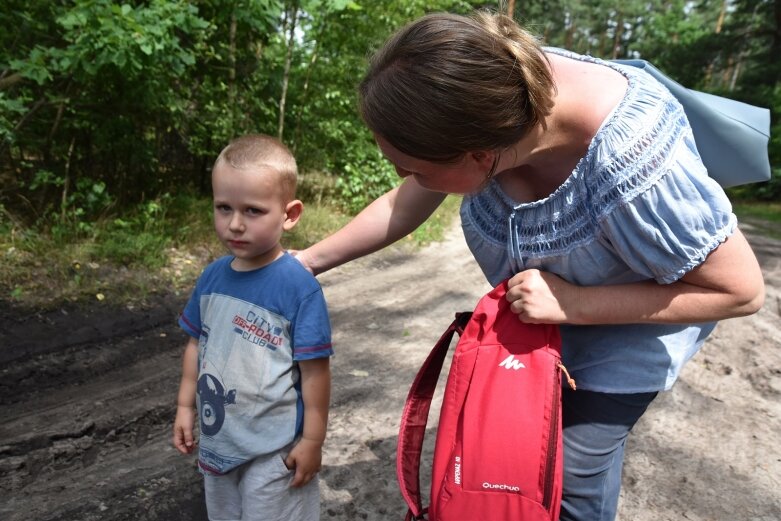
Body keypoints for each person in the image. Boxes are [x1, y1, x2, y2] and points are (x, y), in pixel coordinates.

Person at [292, 10, 765, 521]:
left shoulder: (634, 162)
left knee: (569, 477)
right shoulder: (493, 97)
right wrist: (309, 261)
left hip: (631, 330)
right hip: (548, 323)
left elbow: (740, 291)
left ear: (481, 156)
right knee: (530, 458)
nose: (408, 179)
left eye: (416, 170)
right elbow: (406, 199)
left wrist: (575, 303)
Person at [173, 134, 333, 521]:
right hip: (219, 442)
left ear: (289, 214)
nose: (235, 224)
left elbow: (315, 372)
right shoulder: (212, 277)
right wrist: (183, 406)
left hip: (273, 451)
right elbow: (197, 345)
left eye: (253, 211)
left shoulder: (298, 288)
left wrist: (313, 440)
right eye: (223, 207)